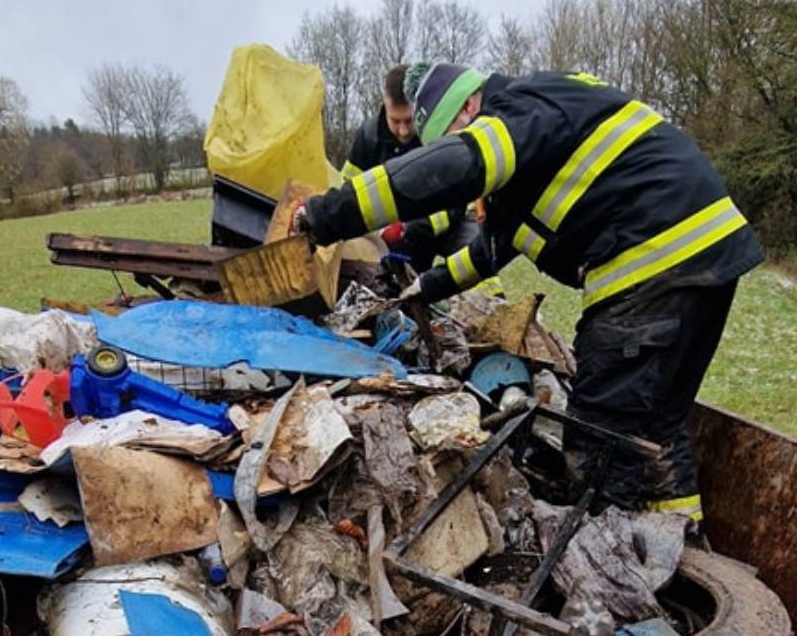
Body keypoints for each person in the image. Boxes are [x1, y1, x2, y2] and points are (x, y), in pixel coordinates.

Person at [292, 63, 765, 524]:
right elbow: (491, 251)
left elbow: (451, 168)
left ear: (469, 106)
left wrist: (327, 216)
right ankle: (680, 542)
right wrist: (427, 285)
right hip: (711, 252)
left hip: (650, 257)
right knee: (657, 427)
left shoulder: (516, 110)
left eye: (456, 135)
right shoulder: (541, 141)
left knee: (599, 431)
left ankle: (609, 562)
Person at [342, 65, 502, 296]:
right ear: (384, 106)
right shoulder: (368, 138)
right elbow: (348, 189)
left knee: (478, 265)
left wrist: (407, 228)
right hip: (399, 239)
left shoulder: (437, 133)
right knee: (401, 289)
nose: (404, 130)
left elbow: (454, 200)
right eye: (395, 121)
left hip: (455, 221)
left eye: (409, 120)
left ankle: (500, 312)